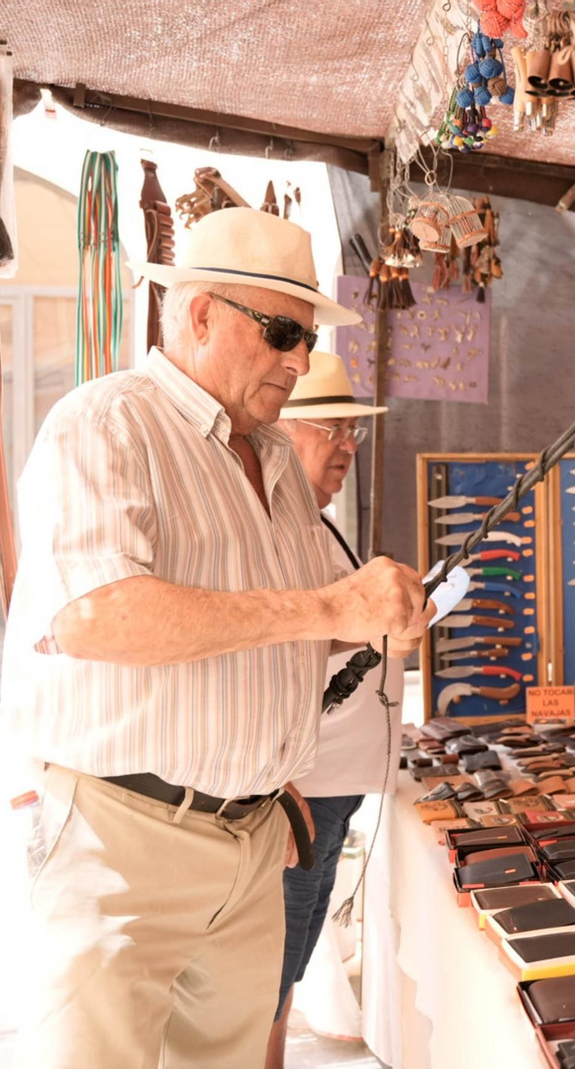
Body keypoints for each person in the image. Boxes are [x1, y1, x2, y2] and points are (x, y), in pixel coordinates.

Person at [2, 207, 430, 1069]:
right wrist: (330, 610)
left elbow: (304, 635)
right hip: (123, 840)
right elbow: (98, 615)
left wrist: (380, 627)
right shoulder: (106, 425)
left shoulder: (271, 459)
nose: (300, 361)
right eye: (280, 332)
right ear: (199, 315)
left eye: (304, 337)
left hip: (253, 838)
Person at [265, 352, 397, 1069]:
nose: (347, 446)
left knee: (286, 975)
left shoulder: (318, 524)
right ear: (282, 430)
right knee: (268, 982)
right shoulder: (277, 532)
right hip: (300, 794)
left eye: (355, 431)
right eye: (333, 429)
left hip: (331, 790)